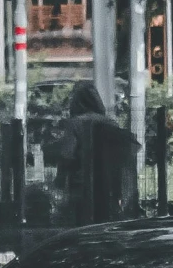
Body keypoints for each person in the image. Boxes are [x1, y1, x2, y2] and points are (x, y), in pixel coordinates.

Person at [53, 80, 138, 221]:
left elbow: (67, 154)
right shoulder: (110, 123)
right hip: (108, 183)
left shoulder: (74, 124)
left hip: (80, 184)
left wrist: (60, 180)